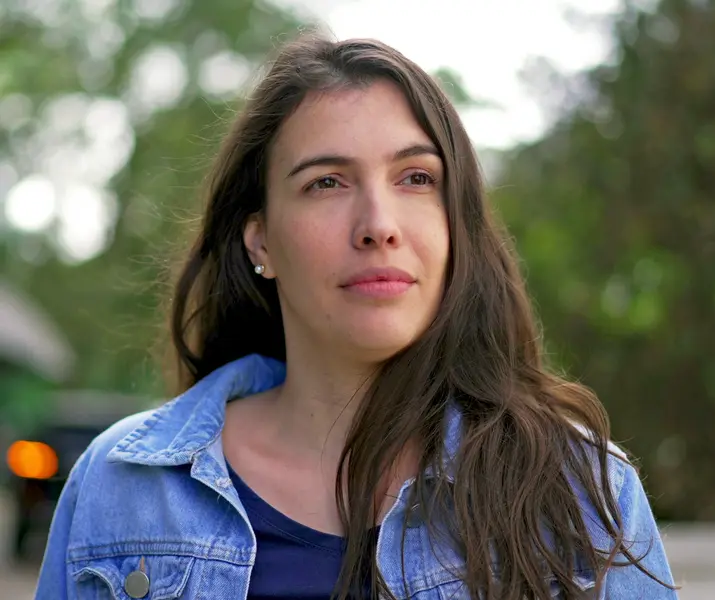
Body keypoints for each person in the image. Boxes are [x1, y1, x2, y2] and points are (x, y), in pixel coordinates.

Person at [34, 34, 677, 600]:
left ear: (456, 224)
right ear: (260, 241)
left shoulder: (579, 490)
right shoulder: (121, 488)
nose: (379, 226)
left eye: (417, 178)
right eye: (327, 183)